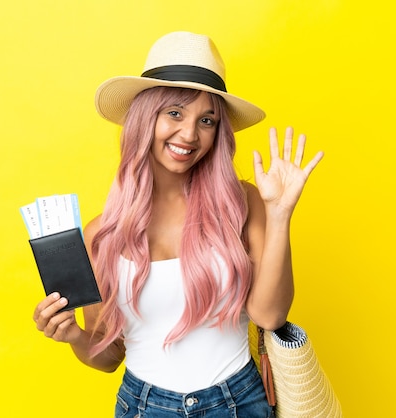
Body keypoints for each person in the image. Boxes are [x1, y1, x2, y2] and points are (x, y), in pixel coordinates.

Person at [33, 31, 323, 417]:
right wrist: (72, 336)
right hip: (144, 407)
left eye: (207, 120)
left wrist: (280, 213)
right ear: (144, 117)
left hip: (239, 402)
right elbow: (108, 357)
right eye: (174, 113)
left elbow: (270, 316)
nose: (189, 134)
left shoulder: (242, 202)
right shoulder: (100, 235)